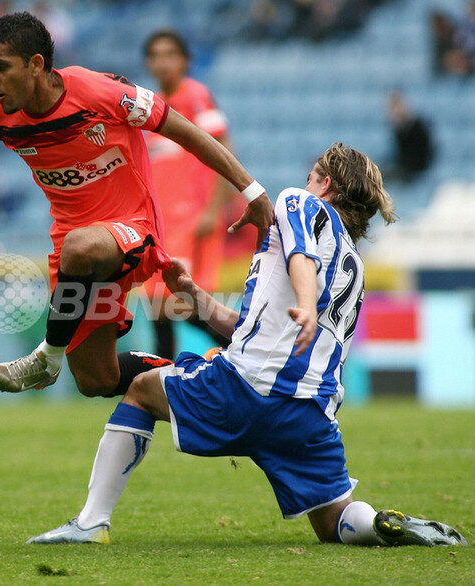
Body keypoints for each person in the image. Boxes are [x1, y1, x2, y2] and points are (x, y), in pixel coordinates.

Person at [27, 143, 467, 548]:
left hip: (249, 389)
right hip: (309, 413)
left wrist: (306, 304)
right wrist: (196, 297)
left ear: (326, 183)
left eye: (314, 174)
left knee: (142, 389)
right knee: (332, 520)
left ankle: (90, 522)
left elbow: (301, 258)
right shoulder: (353, 262)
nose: (307, 180)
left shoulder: (299, 202)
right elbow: (251, 329)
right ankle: (379, 523)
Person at [0, 12, 274, 399]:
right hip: (76, 260)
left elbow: (189, 133)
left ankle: (45, 358)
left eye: (1, 67)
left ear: (36, 65)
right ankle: (207, 373)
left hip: (133, 228)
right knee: (97, 379)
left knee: (83, 247)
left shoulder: (99, 93)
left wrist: (252, 192)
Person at [142, 30, 237, 358]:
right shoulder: (151, 106)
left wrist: (214, 207)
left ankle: (246, 349)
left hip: (191, 218)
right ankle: (162, 382)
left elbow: (223, 150)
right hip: (161, 225)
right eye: (156, 55)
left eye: (170, 54)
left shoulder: (196, 96)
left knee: (178, 301)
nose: (163, 62)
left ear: (184, 60)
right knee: (157, 304)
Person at [385, 91, 433, 182]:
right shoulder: (397, 130)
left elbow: (425, 155)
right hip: (403, 169)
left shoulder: (418, 127)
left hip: (417, 171)